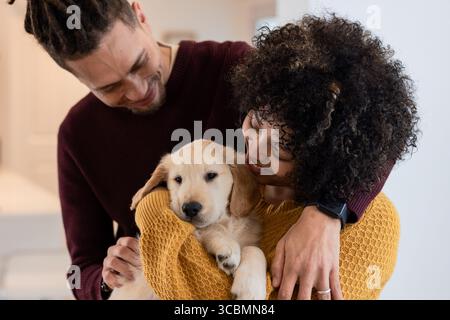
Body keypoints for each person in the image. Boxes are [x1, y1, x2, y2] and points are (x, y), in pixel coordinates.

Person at [9, 0, 410, 300]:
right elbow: (83, 271)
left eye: (138, 64)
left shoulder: (233, 67)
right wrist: (108, 277)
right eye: (108, 88)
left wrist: (329, 213)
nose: (136, 91)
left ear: (139, 13)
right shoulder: (78, 136)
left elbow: (365, 131)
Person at [135, 15, 418, 300]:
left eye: (278, 151)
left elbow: (213, 297)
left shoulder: (373, 224)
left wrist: (153, 213)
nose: (253, 149)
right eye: (255, 124)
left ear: (320, 161)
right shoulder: (239, 187)